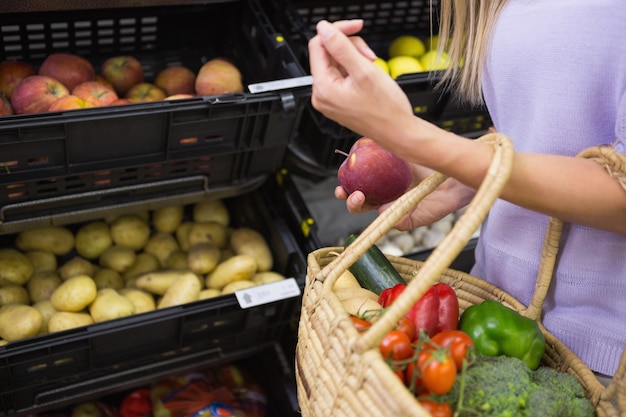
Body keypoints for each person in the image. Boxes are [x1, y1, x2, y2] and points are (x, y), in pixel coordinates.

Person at [307, 1, 626, 378]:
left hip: (601, 354)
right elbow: (541, 130)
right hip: (489, 308)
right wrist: (455, 179)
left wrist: (413, 136)